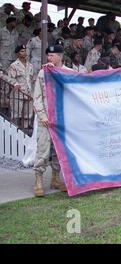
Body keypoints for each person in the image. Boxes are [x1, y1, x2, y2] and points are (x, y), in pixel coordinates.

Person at [33, 45, 70, 197]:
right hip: (46, 119)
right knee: (43, 149)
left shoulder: (69, 73)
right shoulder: (44, 73)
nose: (49, 58)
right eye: (48, 56)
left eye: (52, 56)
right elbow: (37, 97)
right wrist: (42, 116)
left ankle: (55, 179)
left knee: (59, 151)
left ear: (60, 56)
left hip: (62, 119)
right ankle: (38, 181)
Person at [7, 45, 34, 127]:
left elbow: (32, 79)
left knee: (27, 116)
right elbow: (10, 79)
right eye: (22, 51)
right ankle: (14, 133)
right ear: (17, 54)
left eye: (25, 50)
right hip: (18, 93)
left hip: (28, 93)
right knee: (16, 115)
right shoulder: (14, 65)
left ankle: (25, 132)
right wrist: (15, 84)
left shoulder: (30, 65)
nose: (24, 53)